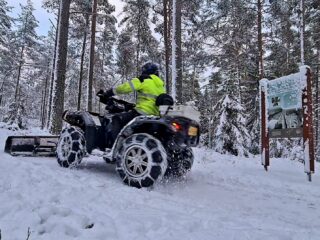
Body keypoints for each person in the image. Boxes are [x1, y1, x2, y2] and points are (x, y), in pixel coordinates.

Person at [97, 62, 166, 147]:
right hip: (155, 115)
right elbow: (150, 100)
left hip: (143, 112)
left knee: (116, 119)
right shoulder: (161, 85)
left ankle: (116, 147)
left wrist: (109, 92)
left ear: (146, 71)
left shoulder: (144, 79)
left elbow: (126, 87)